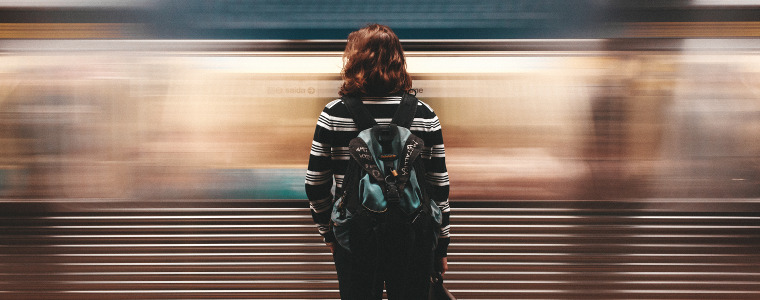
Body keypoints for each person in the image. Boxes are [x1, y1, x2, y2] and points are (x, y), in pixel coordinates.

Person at [305, 24, 450, 299]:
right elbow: (439, 189)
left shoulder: (333, 114)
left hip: (355, 241)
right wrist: (441, 246)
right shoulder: (425, 114)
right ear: (399, 61)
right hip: (414, 241)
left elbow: (315, 185)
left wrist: (330, 233)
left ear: (354, 61)